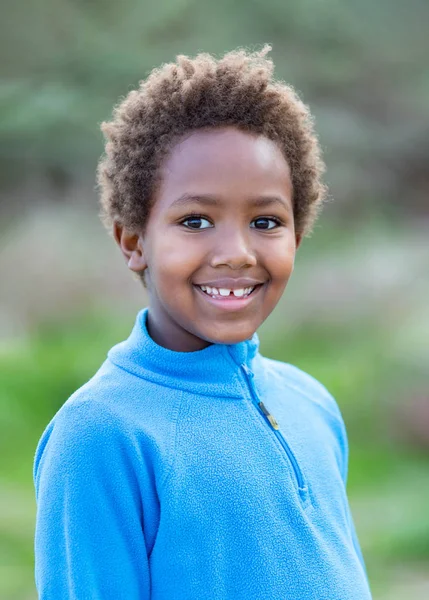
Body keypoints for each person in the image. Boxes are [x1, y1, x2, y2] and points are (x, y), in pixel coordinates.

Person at [33, 46, 372, 599]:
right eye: (196, 220)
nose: (236, 252)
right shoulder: (101, 435)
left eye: (265, 221)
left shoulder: (312, 404)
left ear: (298, 234)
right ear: (134, 241)